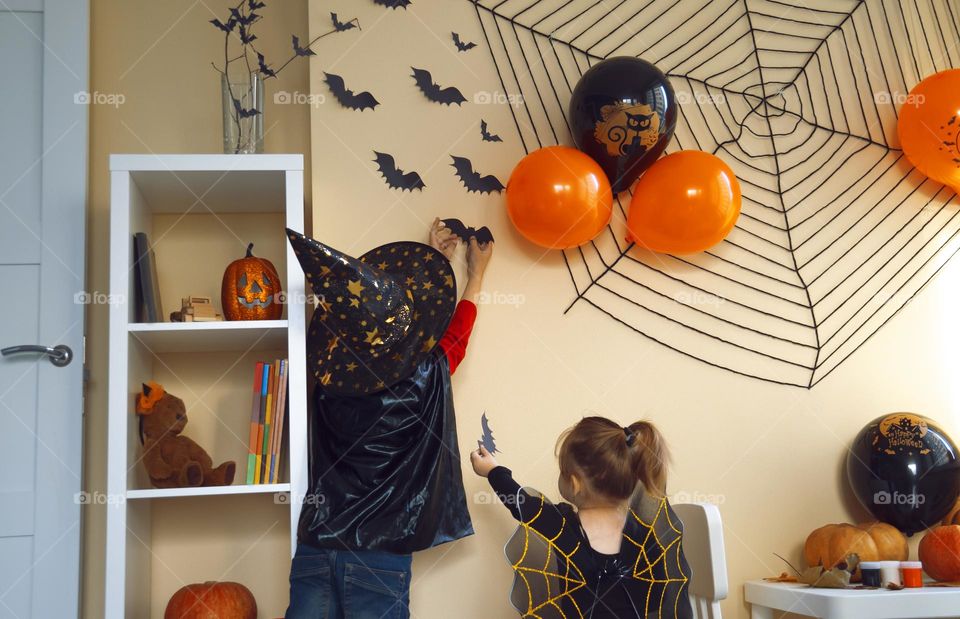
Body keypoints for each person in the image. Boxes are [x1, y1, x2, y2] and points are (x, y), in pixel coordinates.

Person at [284, 219, 492, 619]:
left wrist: (433, 259)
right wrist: (474, 274)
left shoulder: (325, 384)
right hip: (379, 559)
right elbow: (454, 338)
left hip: (314, 544)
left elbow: (373, 326)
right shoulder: (425, 377)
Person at [471, 416, 693, 619]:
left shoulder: (560, 524)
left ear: (575, 483)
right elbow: (657, 599)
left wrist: (492, 470)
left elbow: (521, 504)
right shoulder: (643, 534)